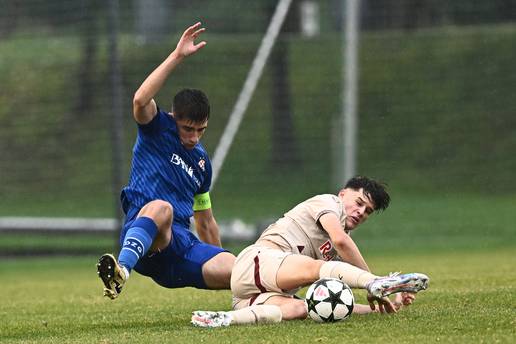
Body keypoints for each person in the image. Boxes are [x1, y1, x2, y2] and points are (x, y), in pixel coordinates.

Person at [96, 22, 235, 299]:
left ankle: (299, 300)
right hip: (149, 241)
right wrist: (177, 56)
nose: (194, 137)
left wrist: (219, 257)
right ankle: (122, 270)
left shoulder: (201, 164)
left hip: (181, 250)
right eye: (187, 129)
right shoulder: (157, 128)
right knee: (162, 209)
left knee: (243, 269)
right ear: (173, 117)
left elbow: (205, 221)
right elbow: (140, 99)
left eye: (201, 130)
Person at [191, 176, 429, 327]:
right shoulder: (328, 203)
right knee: (315, 269)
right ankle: (378, 282)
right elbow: (341, 240)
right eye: (358, 203)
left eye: (367, 211)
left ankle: (222, 319)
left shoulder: (340, 244)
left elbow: (337, 301)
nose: (361, 212)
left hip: (249, 295)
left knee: (307, 307)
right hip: (256, 261)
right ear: (343, 193)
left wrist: (385, 307)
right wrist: (373, 282)